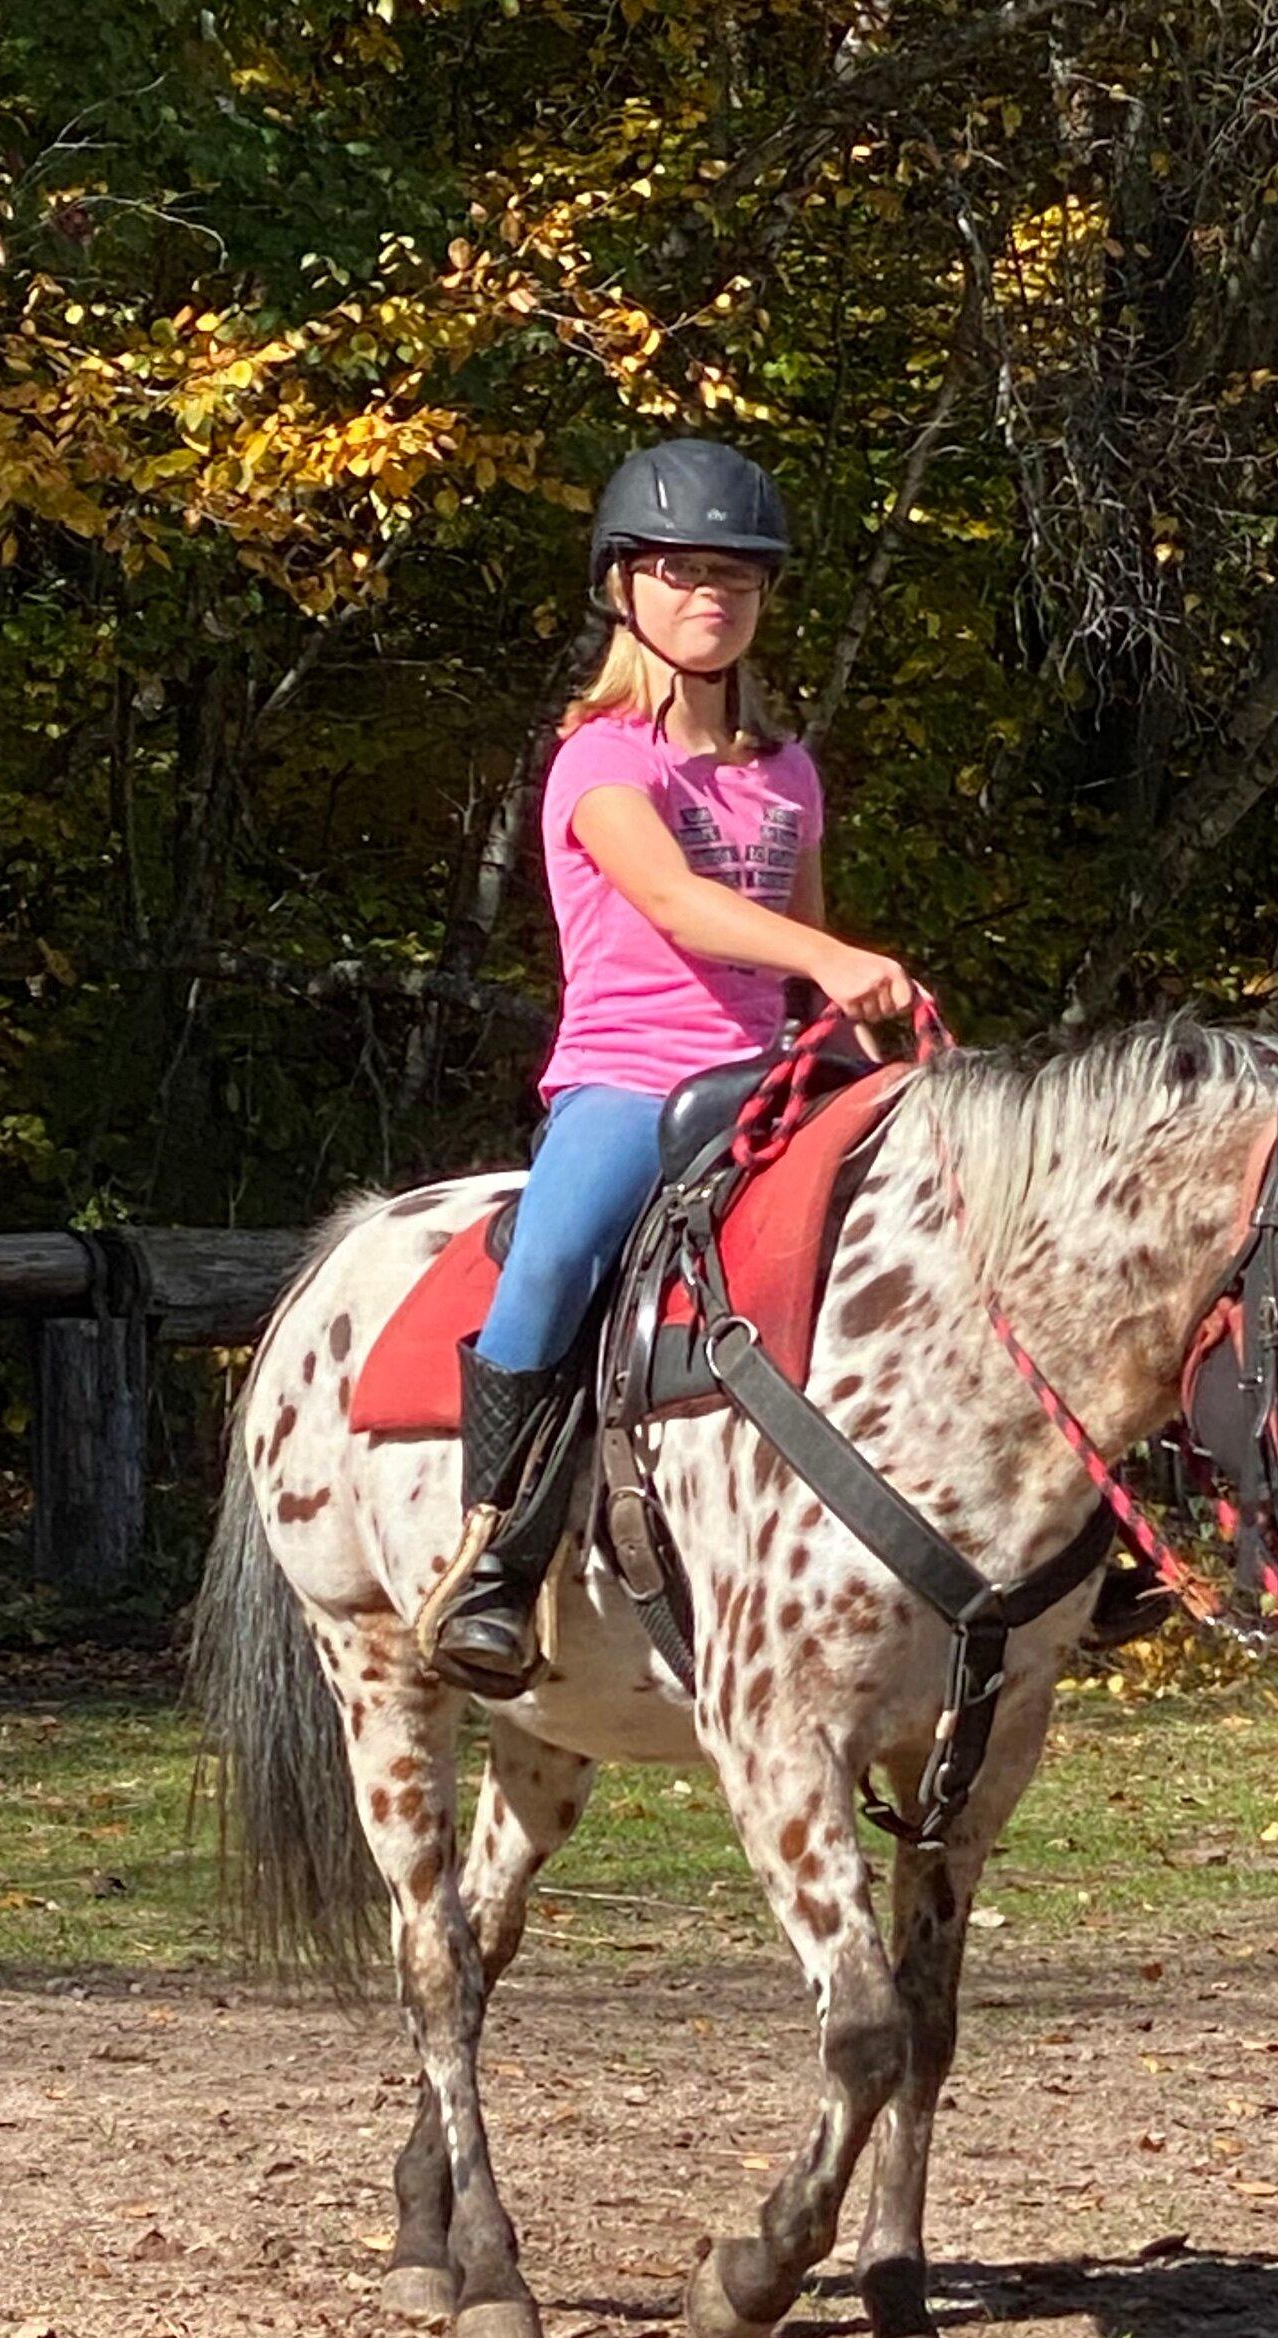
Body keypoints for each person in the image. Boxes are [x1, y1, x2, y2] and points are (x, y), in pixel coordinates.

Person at [418, 437, 920, 1695]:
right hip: (633, 1080)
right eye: (685, 572)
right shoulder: (600, 760)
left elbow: (806, 966)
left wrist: (882, 1049)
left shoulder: (786, 770)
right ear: (624, 587)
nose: (714, 598)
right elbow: (679, 905)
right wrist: (834, 948)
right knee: (558, 1249)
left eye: (739, 579)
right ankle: (495, 1556)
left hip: (772, 1079)